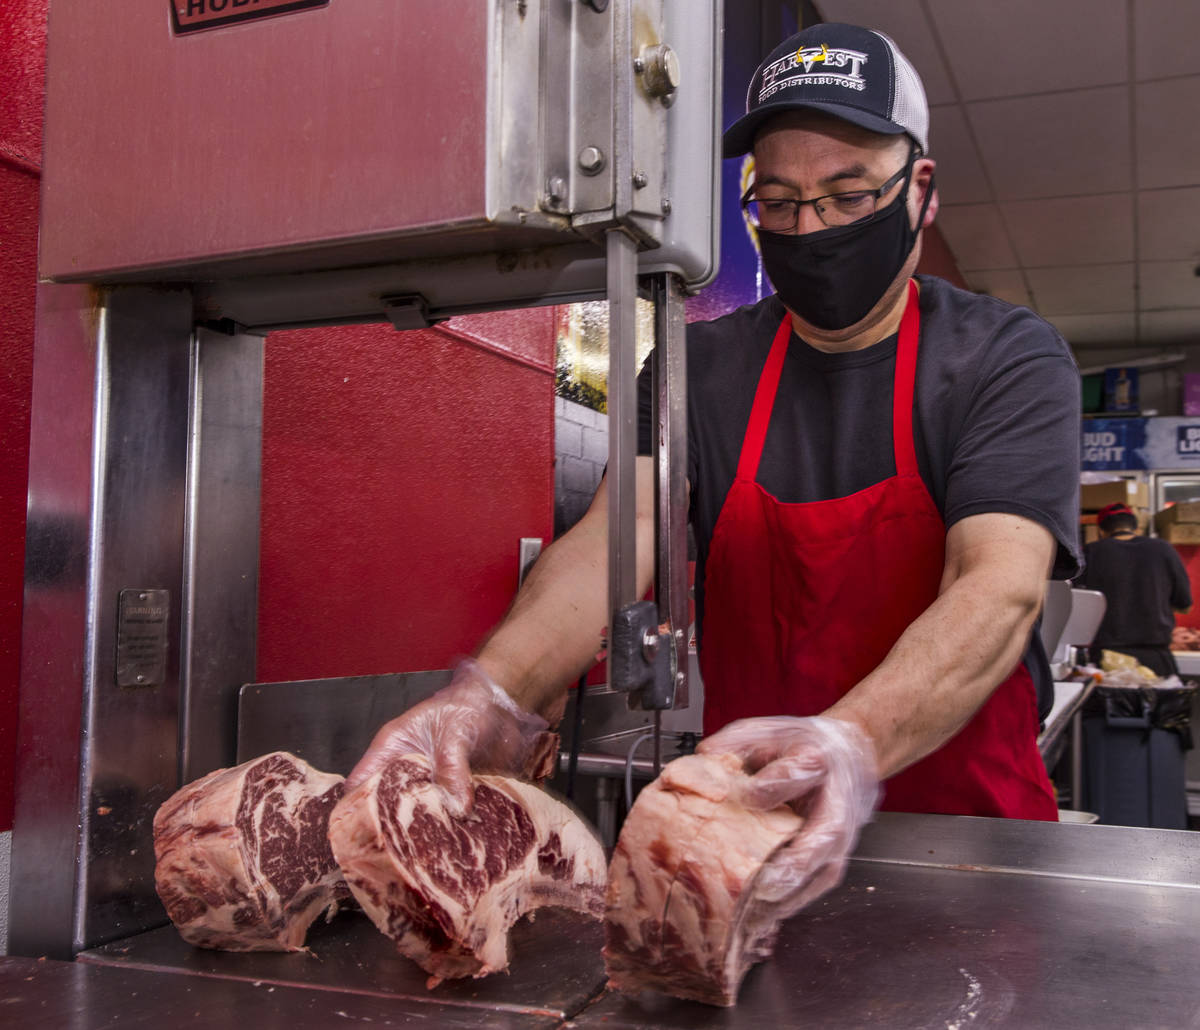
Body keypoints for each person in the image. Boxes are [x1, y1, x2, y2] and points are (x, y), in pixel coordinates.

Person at [348, 23, 1082, 905]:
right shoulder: (707, 368)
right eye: (778, 201)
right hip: (749, 841)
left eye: (848, 197)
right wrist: (493, 693)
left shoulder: (1003, 358)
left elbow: (997, 585)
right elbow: (618, 541)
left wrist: (848, 744)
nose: (810, 229)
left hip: (967, 849)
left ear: (920, 192)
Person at [1076, 502, 1192, 677]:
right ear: (1136, 528)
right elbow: (1185, 604)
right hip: (1155, 658)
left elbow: (1079, 605)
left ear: (1101, 531)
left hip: (1107, 659)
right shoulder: (1163, 549)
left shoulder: (1091, 552)